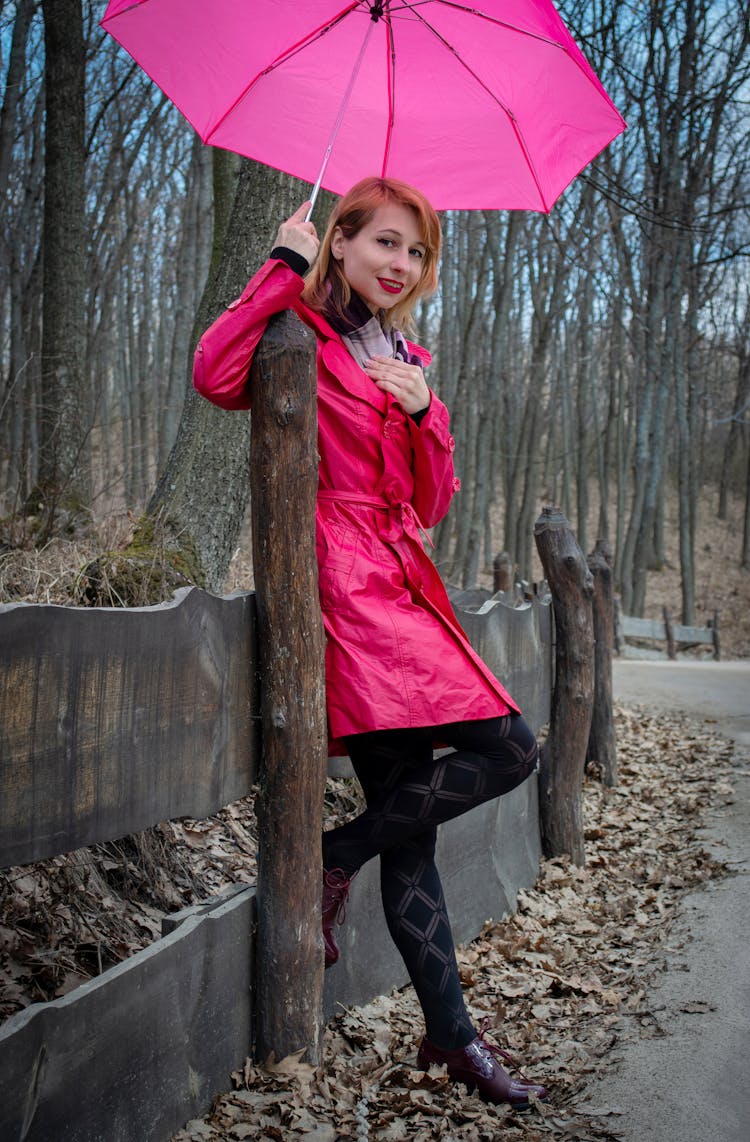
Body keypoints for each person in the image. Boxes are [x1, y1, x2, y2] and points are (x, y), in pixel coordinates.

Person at [193, 177, 547, 1109]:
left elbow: (430, 502)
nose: (401, 265)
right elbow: (212, 375)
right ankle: (349, 869)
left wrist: (426, 410)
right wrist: (278, 263)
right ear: (339, 243)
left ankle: (448, 1032)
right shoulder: (299, 332)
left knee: (415, 827)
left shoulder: (404, 355)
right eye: (384, 243)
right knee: (508, 748)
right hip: (345, 587)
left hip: (401, 578)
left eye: (417, 252)